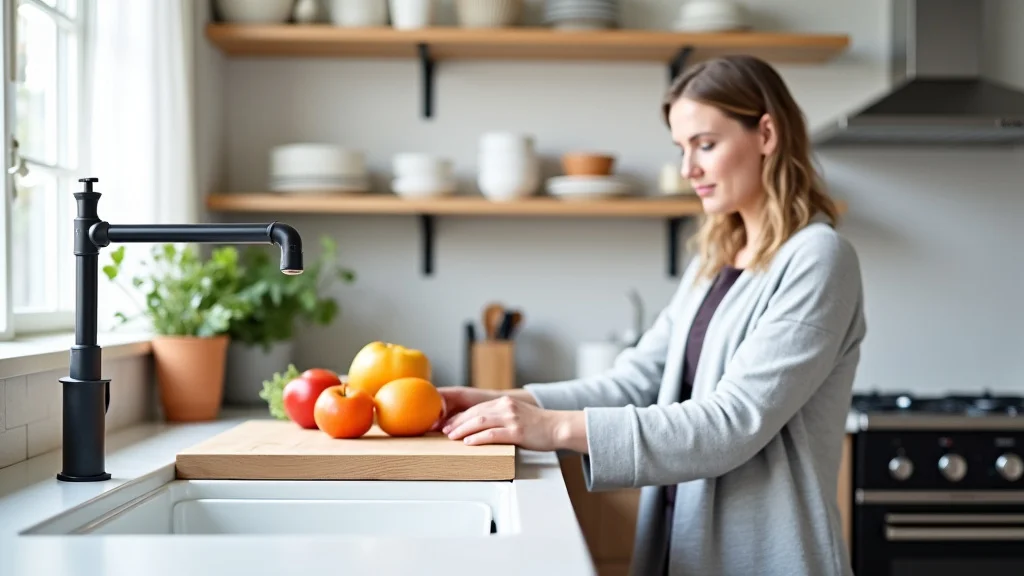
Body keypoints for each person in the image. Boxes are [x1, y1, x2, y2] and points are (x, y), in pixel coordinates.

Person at [436, 55, 865, 576]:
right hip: (679, 545)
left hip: (763, 557)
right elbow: (636, 380)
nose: (689, 170)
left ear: (767, 134)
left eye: (705, 145)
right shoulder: (715, 260)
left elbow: (731, 424)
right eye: (682, 150)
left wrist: (552, 428)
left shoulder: (818, 259)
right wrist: (505, 402)